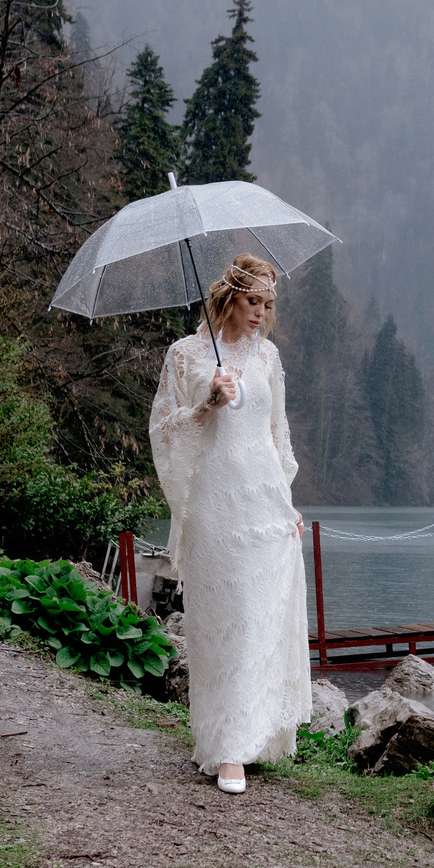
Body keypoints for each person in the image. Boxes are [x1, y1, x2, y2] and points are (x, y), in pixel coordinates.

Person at [148, 255, 311, 793]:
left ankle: (251, 735)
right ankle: (227, 750)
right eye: (252, 301)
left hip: (263, 502)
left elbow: (276, 433)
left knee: (260, 620)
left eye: (268, 303)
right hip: (216, 506)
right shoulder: (185, 354)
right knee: (226, 619)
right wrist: (207, 404)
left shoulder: (268, 356)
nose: (261, 312)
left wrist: (288, 503)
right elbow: (163, 430)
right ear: (228, 299)